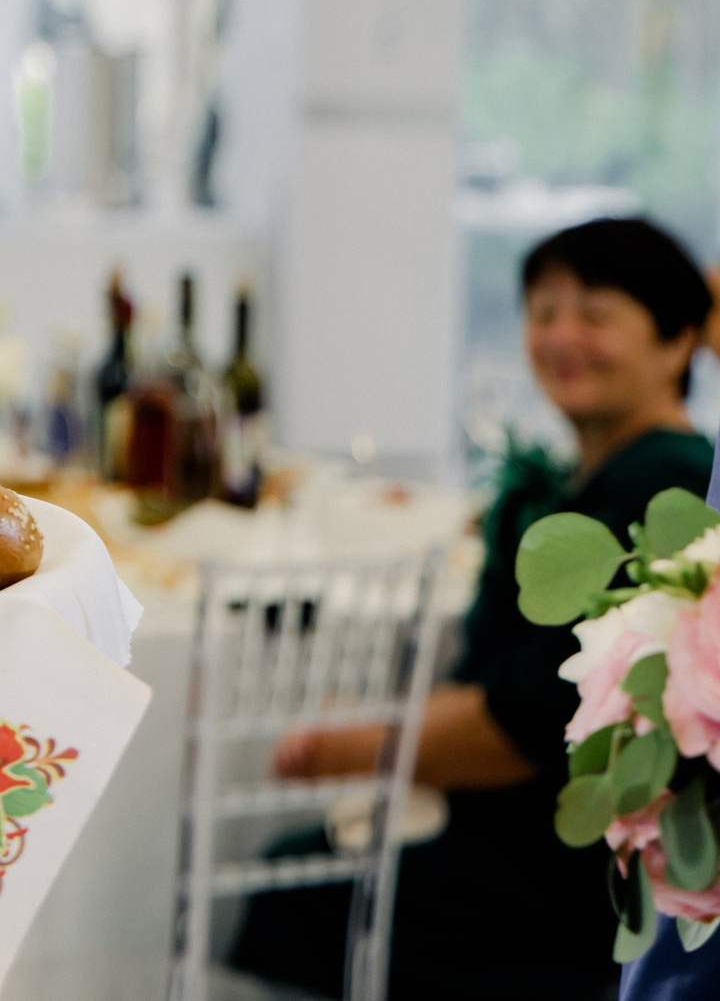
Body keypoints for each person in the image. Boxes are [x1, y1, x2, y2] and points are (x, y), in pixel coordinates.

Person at [232, 217, 716, 1001]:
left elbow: (529, 719)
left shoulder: (659, 481)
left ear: (677, 340)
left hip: (568, 868)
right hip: (537, 837)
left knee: (300, 890)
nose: (561, 336)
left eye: (595, 316)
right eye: (543, 311)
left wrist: (351, 747)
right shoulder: (601, 476)